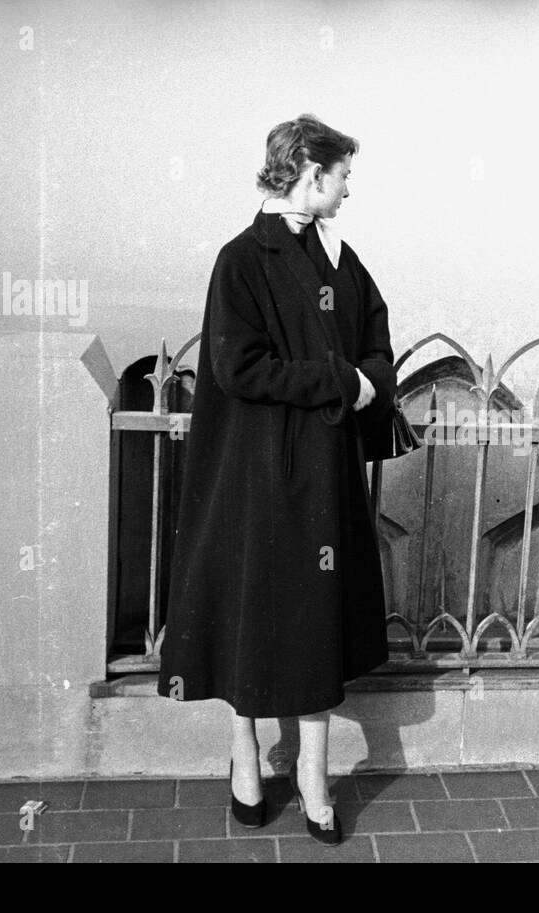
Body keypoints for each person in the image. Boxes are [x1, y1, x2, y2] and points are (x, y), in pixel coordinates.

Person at [156, 114, 398, 845]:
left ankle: (314, 779)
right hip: (260, 478)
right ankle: (246, 762)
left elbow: (378, 341)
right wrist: (341, 380)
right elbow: (238, 366)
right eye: (343, 175)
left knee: (313, 627)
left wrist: (367, 382)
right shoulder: (242, 259)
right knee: (253, 624)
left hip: (321, 475)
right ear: (311, 173)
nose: (350, 189)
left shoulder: (339, 258)